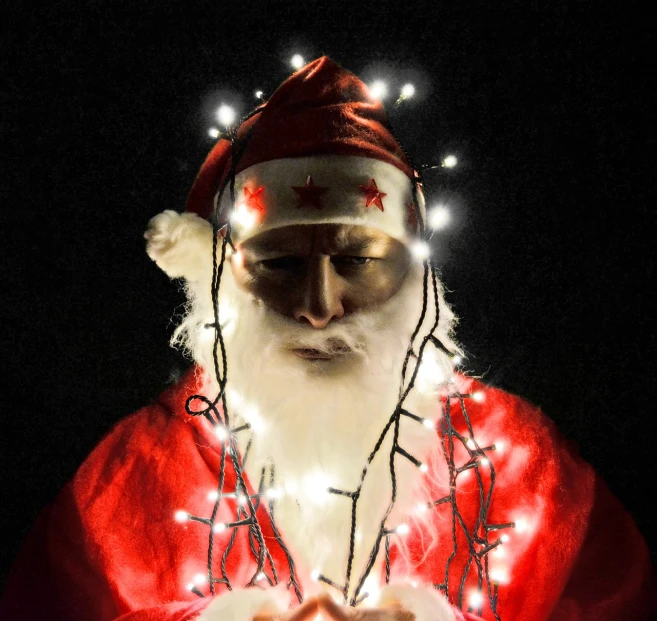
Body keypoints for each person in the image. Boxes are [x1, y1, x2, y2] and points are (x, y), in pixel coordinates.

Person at [1, 56, 654, 621]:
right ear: (226, 274)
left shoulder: (519, 463)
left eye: (357, 261)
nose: (318, 307)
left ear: (414, 270)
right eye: (280, 264)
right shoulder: (131, 475)